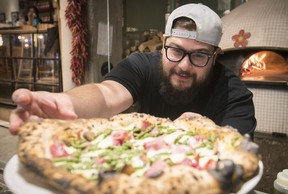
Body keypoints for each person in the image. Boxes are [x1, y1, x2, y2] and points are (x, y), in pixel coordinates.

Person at [9, 3, 256, 138]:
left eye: (199, 55)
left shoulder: (234, 95)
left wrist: (204, 133)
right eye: (176, 50)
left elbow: (236, 151)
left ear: (215, 57)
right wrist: (62, 103)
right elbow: (107, 94)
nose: (183, 65)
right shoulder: (142, 64)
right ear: (163, 44)